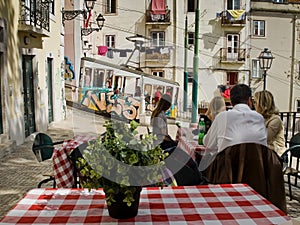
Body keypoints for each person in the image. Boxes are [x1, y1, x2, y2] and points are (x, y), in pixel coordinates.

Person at [199, 84, 267, 170]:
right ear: (249, 101)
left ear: (231, 102)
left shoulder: (222, 117)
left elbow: (208, 143)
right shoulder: (260, 118)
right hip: (255, 173)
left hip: (227, 173)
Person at [253, 90, 286, 156]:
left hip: (276, 154)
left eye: (255, 102)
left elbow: (264, 138)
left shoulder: (275, 120)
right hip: (264, 151)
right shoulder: (259, 117)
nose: (254, 105)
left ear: (262, 104)